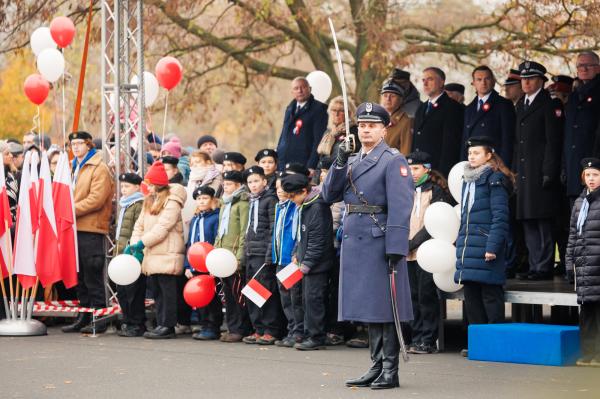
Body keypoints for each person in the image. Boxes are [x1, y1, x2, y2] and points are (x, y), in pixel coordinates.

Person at [322, 102, 414, 390]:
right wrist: (338, 161)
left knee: (385, 308)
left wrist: (396, 247)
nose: (365, 130)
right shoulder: (350, 159)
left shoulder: (392, 160)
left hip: (379, 239)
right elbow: (328, 195)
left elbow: (401, 207)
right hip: (355, 238)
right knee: (369, 309)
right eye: (362, 125)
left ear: (384, 129)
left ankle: (390, 369)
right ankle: (375, 366)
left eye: (372, 125)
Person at [455, 137, 512, 356]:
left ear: (489, 156)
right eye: (470, 153)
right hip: (469, 248)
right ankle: (477, 344)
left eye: (477, 153)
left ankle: (495, 345)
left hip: (486, 247)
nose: (472, 157)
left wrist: (492, 246)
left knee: (490, 297)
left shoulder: (495, 179)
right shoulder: (467, 180)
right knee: (472, 299)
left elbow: (500, 217)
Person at [513, 61, 564, 281]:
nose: (526, 83)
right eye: (523, 79)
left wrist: (549, 172)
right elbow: (518, 143)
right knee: (527, 219)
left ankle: (543, 266)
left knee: (542, 220)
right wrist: (513, 171)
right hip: (524, 171)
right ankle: (535, 264)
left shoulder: (548, 104)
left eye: (531, 78)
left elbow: (553, 142)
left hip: (540, 171)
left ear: (541, 81)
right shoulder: (520, 105)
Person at [62, 131, 114, 334]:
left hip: (91, 227)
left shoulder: (99, 168)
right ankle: (84, 315)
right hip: (74, 227)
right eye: (72, 144)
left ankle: (100, 317)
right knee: (79, 275)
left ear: (89, 145)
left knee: (92, 274)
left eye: (79, 143)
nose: (75, 147)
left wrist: (68, 209)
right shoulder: (74, 166)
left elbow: (96, 199)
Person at [129, 160, 187, 339]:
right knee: (157, 291)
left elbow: (162, 228)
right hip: (152, 253)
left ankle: (168, 325)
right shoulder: (149, 201)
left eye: (150, 184)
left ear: (157, 185)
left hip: (167, 253)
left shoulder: (172, 201)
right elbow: (139, 225)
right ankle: (161, 322)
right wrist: (134, 243)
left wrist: (142, 243)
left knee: (167, 291)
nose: (147, 187)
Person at [405, 152, 453, 354]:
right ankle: (415, 337)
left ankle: (428, 339)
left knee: (426, 296)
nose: (412, 173)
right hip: (406, 253)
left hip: (426, 252)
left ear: (426, 168)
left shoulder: (435, 191)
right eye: (409, 169)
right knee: (412, 296)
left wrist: (413, 243)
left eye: (416, 168)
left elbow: (432, 224)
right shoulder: (403, 191)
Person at [283, 173, 335, 350]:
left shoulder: (317, 207)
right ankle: (308, 332)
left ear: (304, 191)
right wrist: (297, 252)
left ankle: (316, 336)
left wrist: (306, 264)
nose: (291, 200)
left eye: (293, 196)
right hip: (306, 261)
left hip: (316, 265)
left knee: (314, 300)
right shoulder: (305, 205)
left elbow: (317, 240)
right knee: (305, 300)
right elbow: (302, 236)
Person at [241, 166, 283, 345]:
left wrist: (269, 254)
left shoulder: (270, 200)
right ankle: (258, 328)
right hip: (251, 252)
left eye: (256, 181)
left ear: (265, 181)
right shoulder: (251, 200)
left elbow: (273, 229)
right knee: (252, 292)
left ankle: (271, 329)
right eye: (250, 182)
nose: (253, 185)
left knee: (265, 292)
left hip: (263, 253)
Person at [566, 158, 600, 367]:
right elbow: (572, 235)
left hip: (598, 265)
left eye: (595, 175)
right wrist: (569, 263)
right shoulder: (580, 202)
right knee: (587, 313)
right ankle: (588, 353)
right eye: (588, 175)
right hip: (585, 267)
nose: (591, 179)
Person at [214, 171, 252, 342]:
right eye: (224, 184)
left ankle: (240, 329)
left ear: (238, 185)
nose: (225, 187)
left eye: (228, 184)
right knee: (228, 295)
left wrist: (239, 257)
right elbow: (220, 233)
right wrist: (215, 252)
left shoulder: (242, 203)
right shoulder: (224, 203)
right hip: (222, 257)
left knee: (238, 296)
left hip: (234, 257)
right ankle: (231, 327)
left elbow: (244, 231)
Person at [183, 185, 221, 340]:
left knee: (212, 298)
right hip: (196, 264)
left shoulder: (215, 217)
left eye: (205, 198)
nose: (202, 201)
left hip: (210, 264)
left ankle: (213, 327)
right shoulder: (195, 219)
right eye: (199, 199)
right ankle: (204, 324)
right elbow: (190, 244)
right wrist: (187, 265)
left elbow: (217, 241)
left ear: (212, 199)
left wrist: (216, 263)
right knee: (200, 297)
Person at [412, 67, 464, 176]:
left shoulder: (452, 107)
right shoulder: (421, 108)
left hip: (437, 172)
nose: (425, 84)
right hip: (418, 170)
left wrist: (441, 174)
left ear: (441, 82)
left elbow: (450, 146)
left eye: (430, 79)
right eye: (423, 80)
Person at [564, 52, 600, 207]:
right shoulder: (573, 97)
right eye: (580, 65)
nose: (583, 69)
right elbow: (567, 135)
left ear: (598, 68)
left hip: (595, 167)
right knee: (576, 220)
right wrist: (564, 167)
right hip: (574, 168)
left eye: (588, 65)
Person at [462, 65, 516, 167]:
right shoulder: (469, 109)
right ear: (473, 83)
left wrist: (503, 167)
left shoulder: (503, 105)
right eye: (479, 79)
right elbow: (464, 141)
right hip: (472, 163)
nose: (483, 82)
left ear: (493, 81)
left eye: (487, 78)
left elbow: (508, 140)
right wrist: (463, 165)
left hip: (493, 164)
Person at [271, 172, 302, 348]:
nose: (280, 191)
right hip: (280, 260)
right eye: (276, 188)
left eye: (283, 187)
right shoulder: (279, 207)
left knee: (295, 298)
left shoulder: (294, 206)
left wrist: (295, 254)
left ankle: (298, 331)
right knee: (286, 299)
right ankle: (291, 330)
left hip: (292, 260)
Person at [114, 173, 146, 337]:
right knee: (123, 291)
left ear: (137, 187)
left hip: (132, 254)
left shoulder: (138, 205)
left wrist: (132, 250)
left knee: (134, 292)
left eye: (127, 186)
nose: (123, 189)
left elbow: (138, 230)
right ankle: (128, 320)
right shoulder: (125, 205)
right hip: (121, 254)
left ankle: (137, 323)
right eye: (122, 186)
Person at [276, 77, 328, 173]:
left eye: (303, 87)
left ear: (310, 89)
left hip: (303, 165)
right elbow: (284, 134)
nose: (299, 91)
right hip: (284, 164)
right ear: (292, 92)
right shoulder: (289, 108)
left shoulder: (319, 109)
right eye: (296, 88)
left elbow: (319, 140)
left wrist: (312, 165)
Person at [317, 96, 360, 167]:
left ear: (349, 113)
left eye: (341, 111)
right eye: (333, 110)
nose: (336, 114)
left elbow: (346, 158)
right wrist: (317, 176)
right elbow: (321, 158)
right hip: (323, 175)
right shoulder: (328, 132)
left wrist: (324, 164)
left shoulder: (353, 132)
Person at [380, 80, 413, 155]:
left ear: (401, 100)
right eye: (385, 95)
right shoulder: (377, 118)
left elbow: (406, 152)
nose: (388, 99)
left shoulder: (405, 122)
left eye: (392, 96)